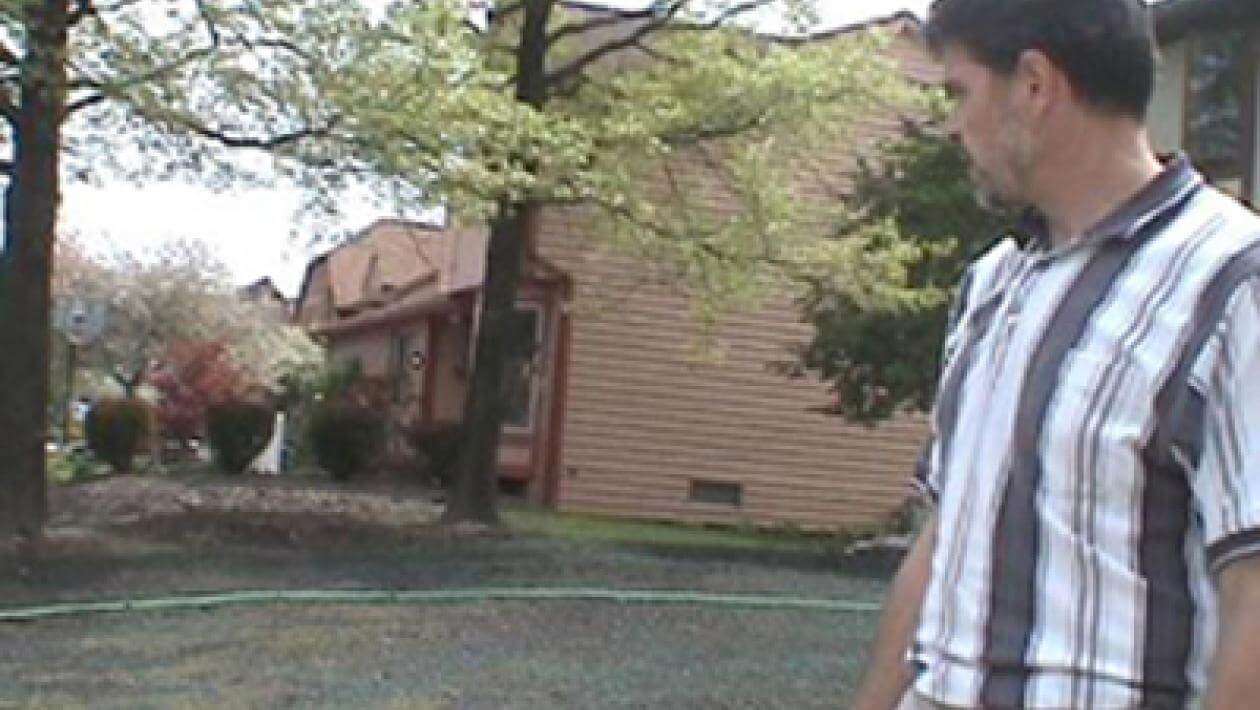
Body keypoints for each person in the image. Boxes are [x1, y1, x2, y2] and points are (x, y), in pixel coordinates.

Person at [853, 1, 1260, 708]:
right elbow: (943, 537)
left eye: (959, 91)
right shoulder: (992, 285)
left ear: (1035, 84)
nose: (951, 124)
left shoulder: (1230, 282)